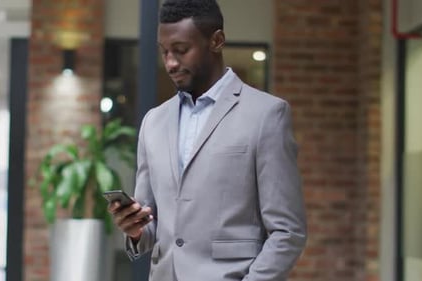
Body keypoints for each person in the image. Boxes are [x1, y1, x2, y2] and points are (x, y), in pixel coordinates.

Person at [109, 0, 307, 280]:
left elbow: (288, 231)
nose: (170, 63)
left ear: (217, 40)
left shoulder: (266, 115)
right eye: (164, 52)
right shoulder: (153, 121)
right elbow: (153, 225)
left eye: (181, 50)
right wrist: (136, 229)